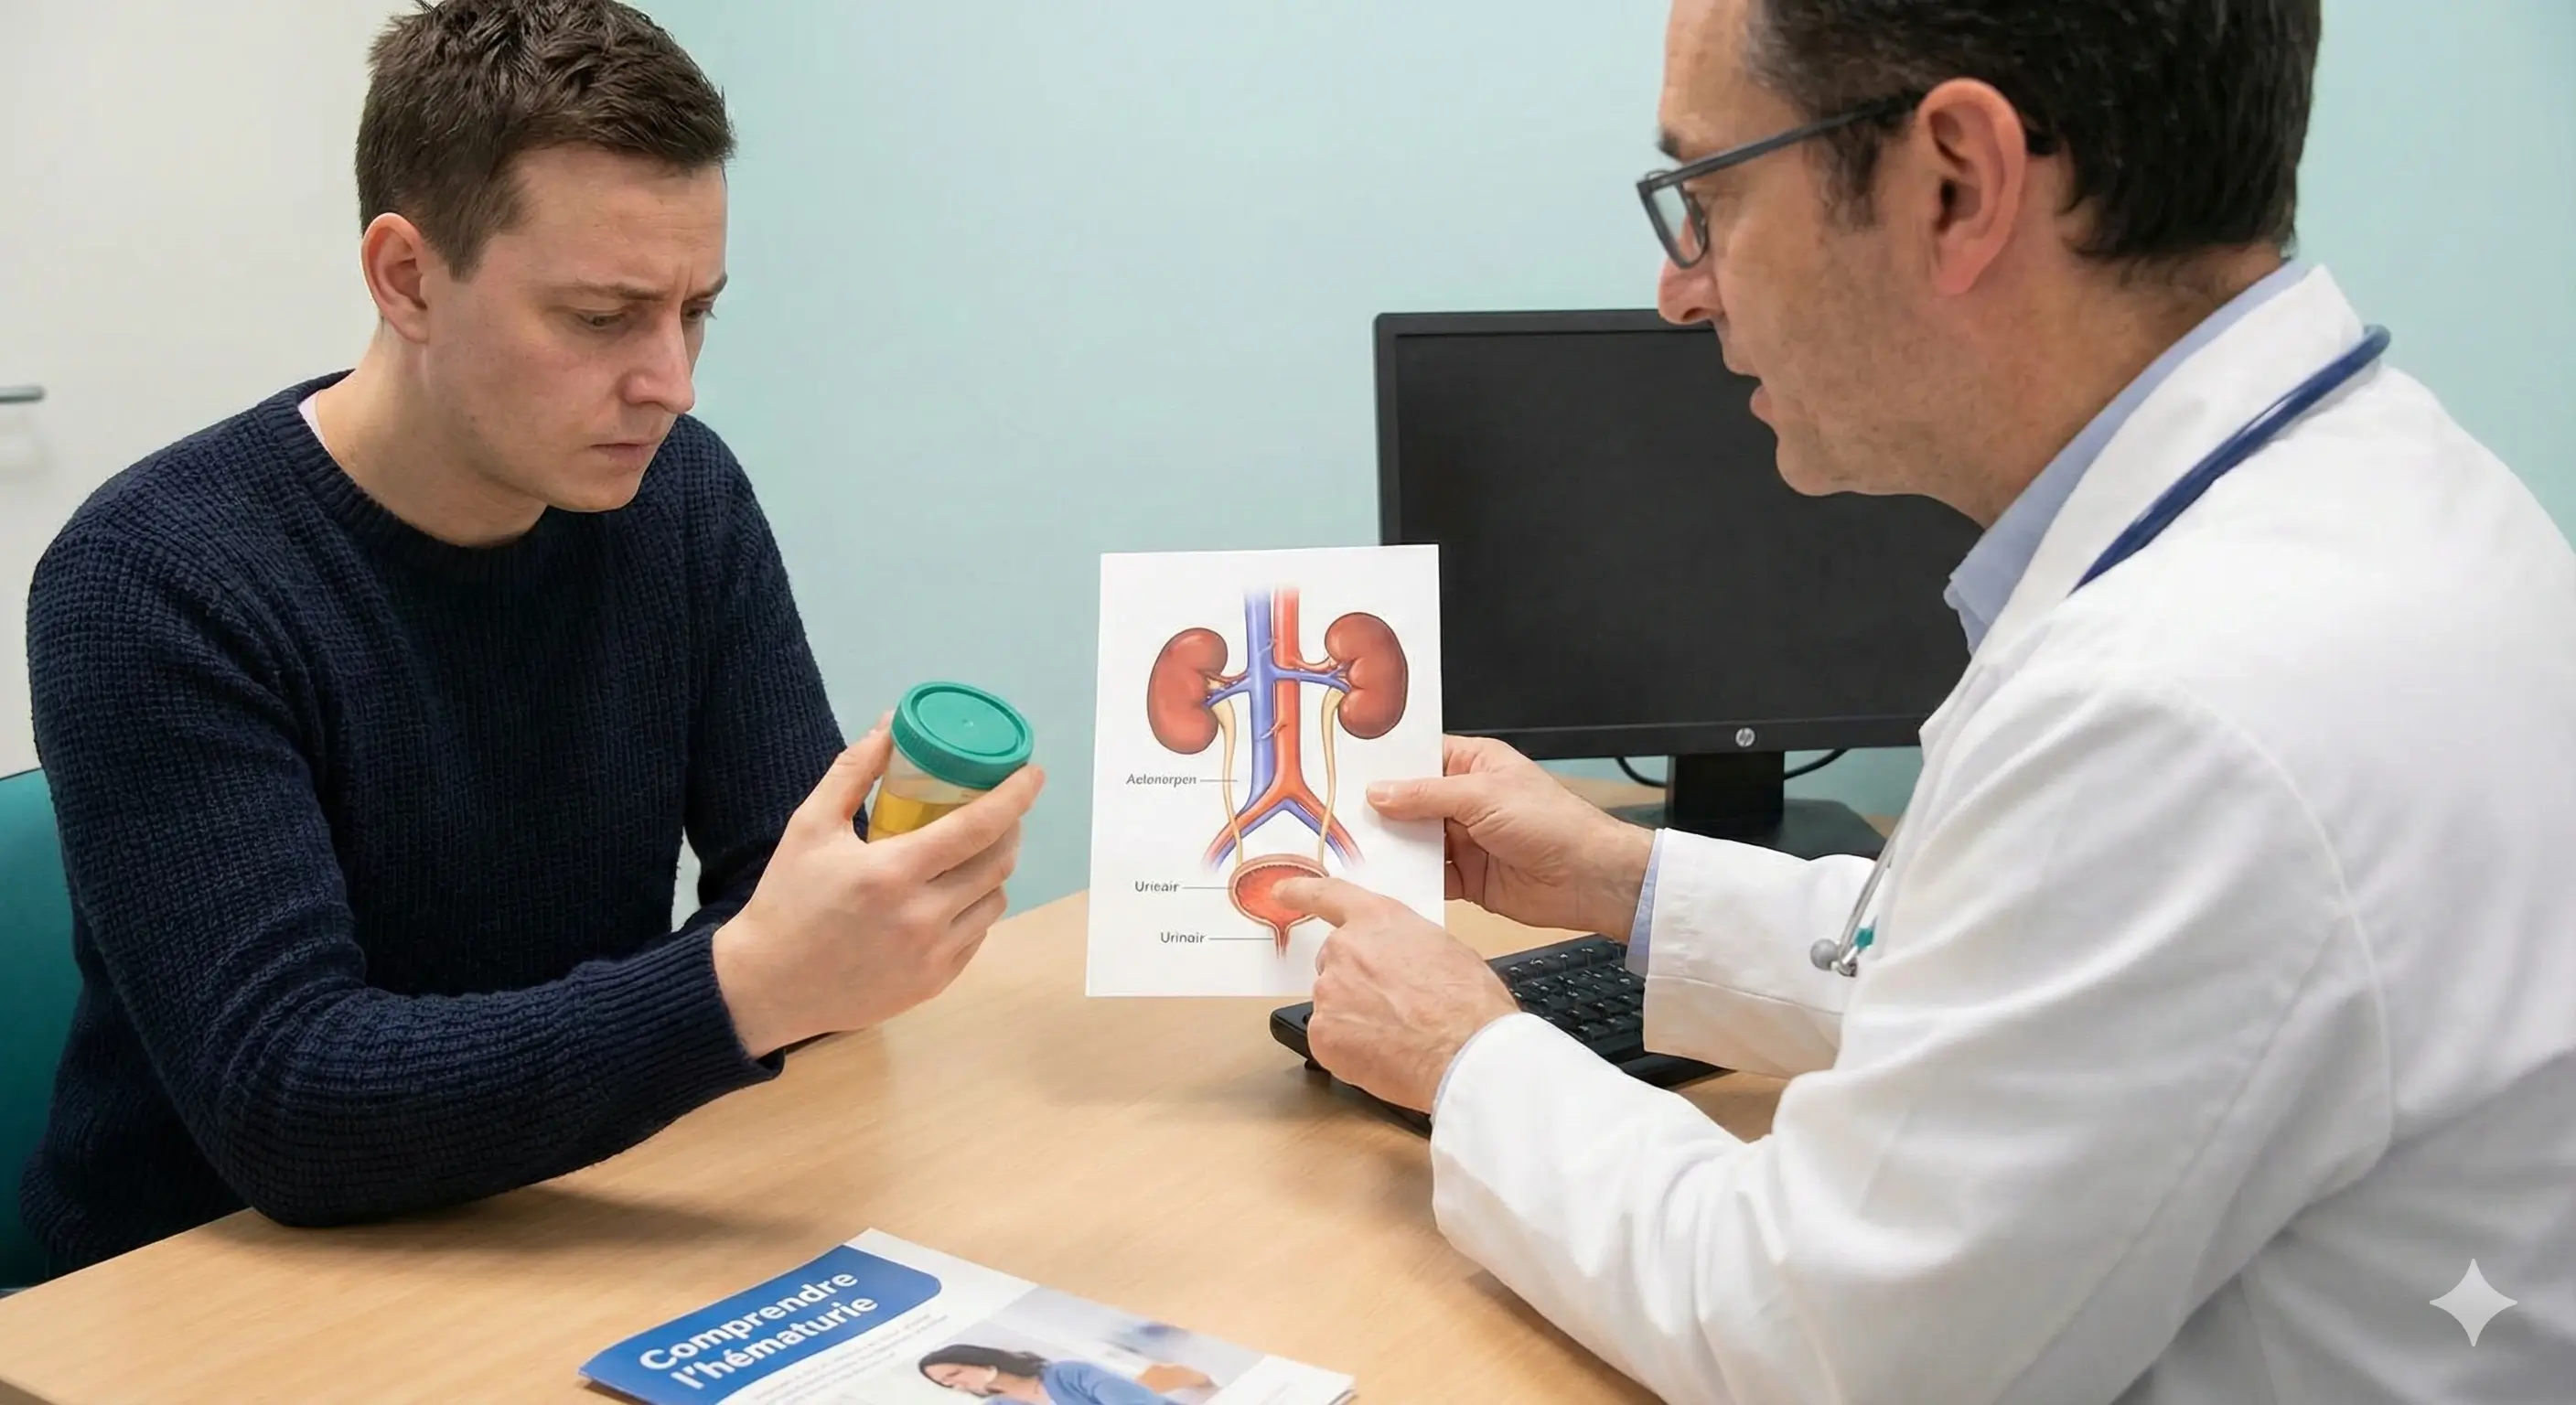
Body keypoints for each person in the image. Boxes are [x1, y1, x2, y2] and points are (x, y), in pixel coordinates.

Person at [1278, 0, 2576, 1400]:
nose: (1683, 289)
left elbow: (1821, 1341)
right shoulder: (2387, 502)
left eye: (1709, 198)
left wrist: (1466, 1056)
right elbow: (2032, 994)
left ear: (1955, 183)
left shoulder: (2181, 711)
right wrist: (1621, 879)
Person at [19, 0, 1041, 1274]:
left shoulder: (678, 497)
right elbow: (289, 1103)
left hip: (545, 1209)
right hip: (198, 1285)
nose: (671, 381)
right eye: (603, 318)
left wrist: (839, 935)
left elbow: (781, 904)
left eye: (695, 310)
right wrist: (752, 984)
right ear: (407, 279)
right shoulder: (153, 582)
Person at [917, 1345, 1184, 1405]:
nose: (957, 1384)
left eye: (955, 1373)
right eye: (946, 1384)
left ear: (979, 1362)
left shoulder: (1068, 1373)